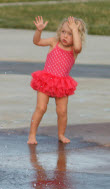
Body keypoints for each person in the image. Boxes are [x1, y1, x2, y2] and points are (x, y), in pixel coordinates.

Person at [27, 16, 87, 145]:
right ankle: (32, 135)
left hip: (62, 84)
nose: (65, 36)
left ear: (77, 35)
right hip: (46, 81)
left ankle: (61, 134)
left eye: (70, 34)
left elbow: (78, 47)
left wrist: (75, 30)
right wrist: (39, 31)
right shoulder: (54, 42)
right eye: (63, 32)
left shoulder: (74, 50)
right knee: (41, 108)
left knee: (62, 111)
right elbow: (37, 42)